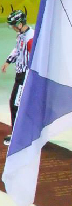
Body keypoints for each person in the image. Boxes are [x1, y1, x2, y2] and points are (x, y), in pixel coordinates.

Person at [1, 10, 34, 145]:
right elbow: (17, 50)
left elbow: (35, 57)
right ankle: (21, 133)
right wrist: (8, 61)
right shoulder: (21, 35)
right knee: (16, 104)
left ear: (20, 24)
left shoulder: (30, 37)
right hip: (20, 75)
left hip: (26, 76)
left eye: (13, 25)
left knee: (16, 104)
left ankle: (19, 136)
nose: (12, 28)